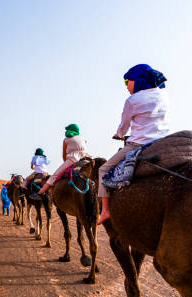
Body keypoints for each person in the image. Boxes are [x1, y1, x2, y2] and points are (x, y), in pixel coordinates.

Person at [96, 63, 170, 224]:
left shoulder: (133, 100)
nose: (126, 86)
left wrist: (119, 135)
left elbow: (124, 127)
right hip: (164, 143)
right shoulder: (163, 95)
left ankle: (105, 211)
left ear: (137, 80)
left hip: (138, 144)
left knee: (103, 169)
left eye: (127, 82)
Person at [30, 123, 90, 199]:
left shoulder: (66, 140)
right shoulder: (83, 138)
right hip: (86, 158)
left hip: (72, 159)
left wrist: (65, 163)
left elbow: (64, 155)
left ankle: (40, 192)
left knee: (54, 176)